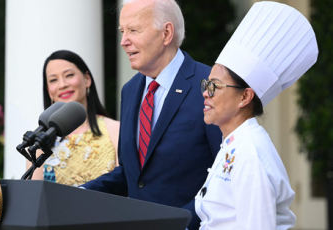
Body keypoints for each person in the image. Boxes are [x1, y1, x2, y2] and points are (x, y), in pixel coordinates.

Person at [82, 0, 222, 229]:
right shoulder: (130, 90)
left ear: (166, 33)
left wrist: (181, 222)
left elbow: (225, 175)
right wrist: (81, 192)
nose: (123, 42)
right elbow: (132, 173)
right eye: (122, 32)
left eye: (133, 30)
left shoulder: (208, 86)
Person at [194, 1, 318, 229]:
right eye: (206, 84)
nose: (205, 93)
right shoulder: (234, 144)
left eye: (215, 86)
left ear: (245, 97)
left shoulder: (250, 153)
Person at [27, 50, 120, 187]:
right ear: (48, 90)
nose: (62, 85)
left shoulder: (115, 129)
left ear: (87, 79)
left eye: (69, 75)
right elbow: (33, 195)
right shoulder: (40, 140)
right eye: (53, 80)